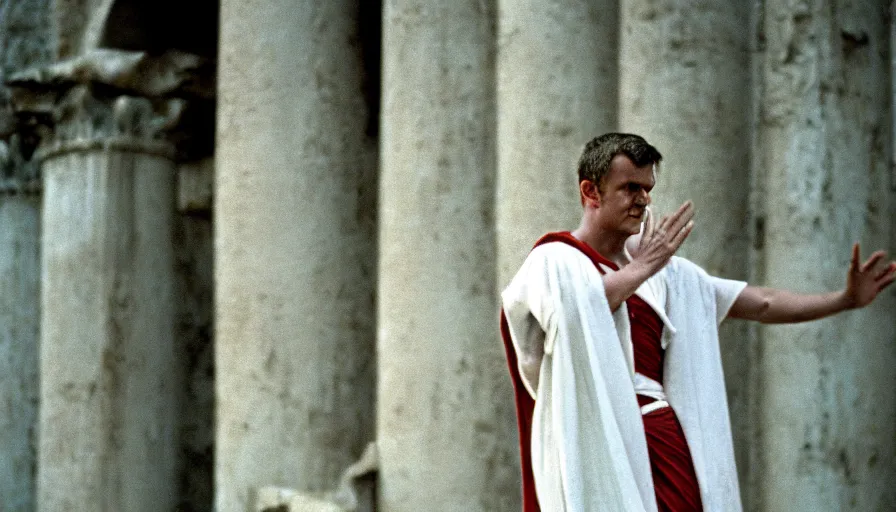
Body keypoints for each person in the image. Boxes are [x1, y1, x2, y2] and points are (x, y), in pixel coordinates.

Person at [499, 133, 896, 512]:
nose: (642, 200)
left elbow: (761, 303)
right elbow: (574, 313)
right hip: (595, 432)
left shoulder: (668, 274)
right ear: (591, 192)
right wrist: (642, 269)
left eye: (647, 189)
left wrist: (843, 300)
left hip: (660, 434)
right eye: (629, 188)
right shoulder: (555, 260)